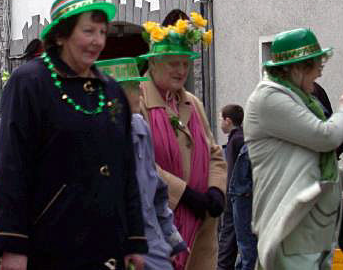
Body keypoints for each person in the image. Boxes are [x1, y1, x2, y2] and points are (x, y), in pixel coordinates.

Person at [0, 0, 148, 270]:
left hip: (108, 243)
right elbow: (13, 166)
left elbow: (126, 170)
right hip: (52, 241)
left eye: (102, 31)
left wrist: (134, 239)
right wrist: (12, 244)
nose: (98, 41)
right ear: (61, 35)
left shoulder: (111, 90)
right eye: (88, 31)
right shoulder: (29, 83)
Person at [244, 28, 343, 269]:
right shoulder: (269, 98)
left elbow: (306, 161)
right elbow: (325, 137)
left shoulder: (299, 98)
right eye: (316, 67)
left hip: (310, 232)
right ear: (297, 68)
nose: (319, 73)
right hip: (290, 229)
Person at [139, 15, 227, 270]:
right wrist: (183, 194)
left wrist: (215, 191)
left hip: (201, 226)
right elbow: (141, 163)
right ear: (154, 64)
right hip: (160, 224)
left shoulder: (192, 102)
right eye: (174, 64)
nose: (181, 71)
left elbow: (214, 154)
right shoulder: (139, 102)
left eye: (186, 64)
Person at [96, 57, 188, 269]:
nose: (139, 90)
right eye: (131, 85)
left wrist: (171, 240)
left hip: (152, 245)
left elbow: (156, 191)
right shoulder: (96, 138)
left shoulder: (139, 127)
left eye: (137, 84)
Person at [217, 104, 245, 270]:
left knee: (228, 237)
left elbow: (234, 172)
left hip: (234, 197)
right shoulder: (239, 138)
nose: (220, 123)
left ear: (228, 121)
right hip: (237, 196)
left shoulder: (236, 140)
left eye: (221, 119)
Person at [229, 143, 257, 270]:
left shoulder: (249, 147)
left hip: (242, 195)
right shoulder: (250, 148)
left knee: (247, 252)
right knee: (249, 252)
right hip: (244, 196)